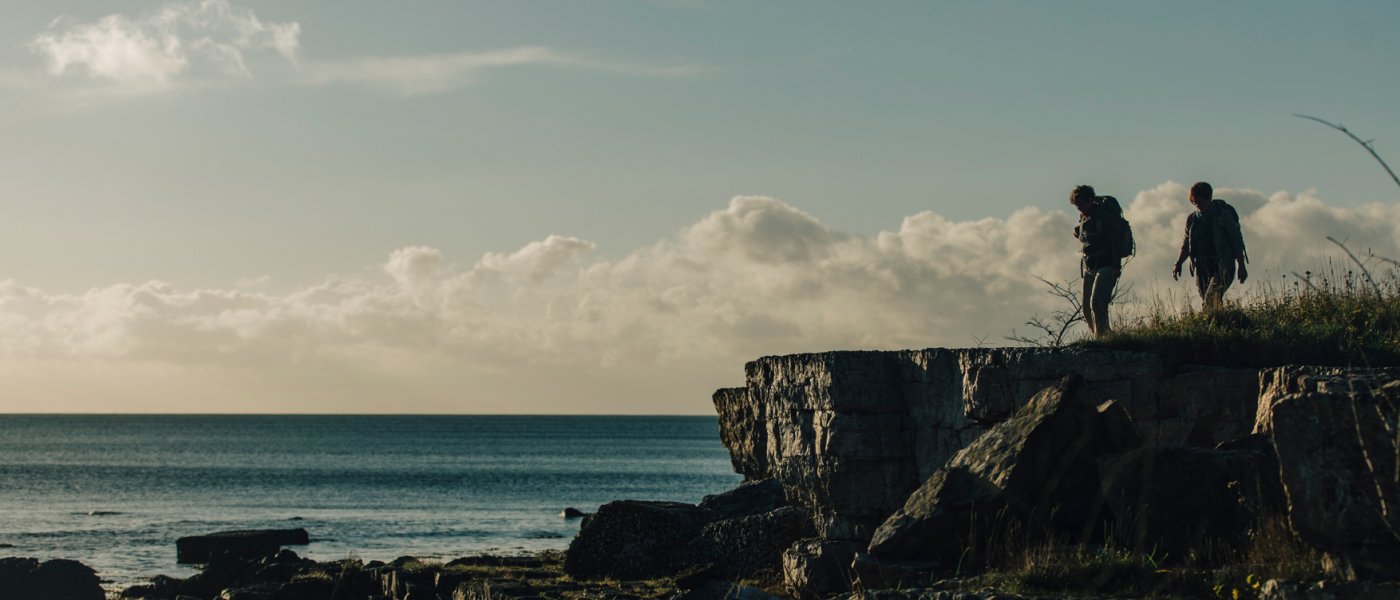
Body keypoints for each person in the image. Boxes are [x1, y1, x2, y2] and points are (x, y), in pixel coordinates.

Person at [1172, 181, 1248, 310]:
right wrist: (1178, 263)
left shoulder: (1223, 216)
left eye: (1200, 201)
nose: (1198, 205)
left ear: (1209, 199)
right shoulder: (1192, 220)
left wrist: (1241, 265)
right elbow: (1186, 245)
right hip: (1202, 268)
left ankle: (1214, 325)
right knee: (1212, 302)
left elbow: (1236, 241)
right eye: (1194, 202)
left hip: (1223, 265)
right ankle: (1221, 325)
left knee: (1210, 299)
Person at [1070, 185, 1128, 337]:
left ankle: (1102, 337)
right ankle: (1100, 334)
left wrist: (1117, 267)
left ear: (1090, 200)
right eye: (1077, 206)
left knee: (1097, 303)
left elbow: (1115, 243)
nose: (1079, 209)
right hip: (1089, 266)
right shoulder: (1084, 219)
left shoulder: (1105, 217)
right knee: (1085, 307)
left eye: (1081, 204)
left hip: (1107, 265)